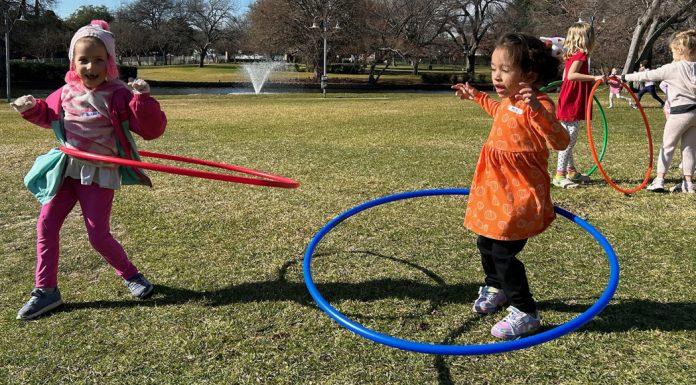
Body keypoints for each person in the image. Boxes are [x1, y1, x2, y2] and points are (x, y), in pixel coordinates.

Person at [11, 20, 167, 320]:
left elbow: (150, 129)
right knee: (46, 225)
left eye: (98, 59)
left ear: (109, 63)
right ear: (73, 61)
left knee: (97, 235)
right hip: (67, 168)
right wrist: (30, 108)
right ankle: (46, 290)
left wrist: (142, 100)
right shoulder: (64, 93)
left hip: (98, 172)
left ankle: (132, 276)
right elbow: (49, 114)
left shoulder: (119, 94)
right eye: (83, 59)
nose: (90, 66)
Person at [452, 33, 569, 339]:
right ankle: (495, 288)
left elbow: (561, 141)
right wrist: (476, 96)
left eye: (504, 69)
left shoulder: (539, 104)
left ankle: (525, 311)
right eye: (493, 68)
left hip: (518, 191)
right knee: (486, 242)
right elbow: (498, 112)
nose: (496, 75)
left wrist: (541, 114)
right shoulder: (507, 101)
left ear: (529, 76)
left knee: (503, 251)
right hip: (494, 188)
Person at [620, 30, 696, 193]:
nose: (672, 54)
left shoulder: (672, 68)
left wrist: (624, 77)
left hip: (679, 114)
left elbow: (647, 75)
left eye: (673, 51)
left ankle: (659, 180)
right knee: (689, 148)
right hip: (695, 114)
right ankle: (688, 183)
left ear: (680, 51)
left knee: (668, 146)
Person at [553, 22, 606, 189]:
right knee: (569, 137)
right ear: (586, 38)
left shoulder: (574, 54)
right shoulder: (581, 54)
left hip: (571, 96)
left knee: (569, 135)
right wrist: (594, 78)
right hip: (571, 98)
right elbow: (571, 75)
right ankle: (559, 175)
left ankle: (570, 171)